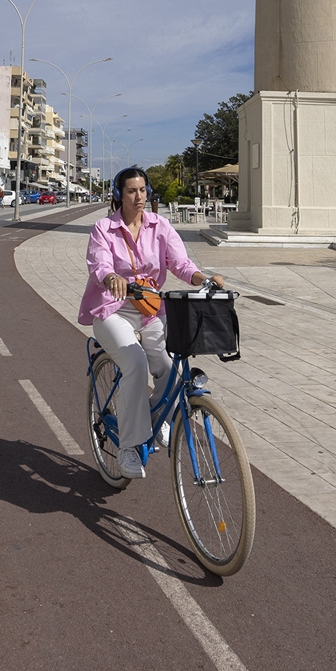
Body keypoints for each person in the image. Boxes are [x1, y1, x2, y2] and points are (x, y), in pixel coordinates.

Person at [80, 164, 214, 478]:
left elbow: (179, 263)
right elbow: (98, 264)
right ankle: (129, 448)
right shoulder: (104, 229)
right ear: (119, 195)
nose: (138, 196)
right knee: (136, 365)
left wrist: (202, 278)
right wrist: (110, 276)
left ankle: (156, 421)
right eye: (131, 191)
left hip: (151, 310)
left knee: (171, 368)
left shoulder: (160, 226)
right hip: (112, 309)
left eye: (142, 190)